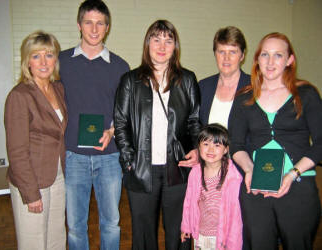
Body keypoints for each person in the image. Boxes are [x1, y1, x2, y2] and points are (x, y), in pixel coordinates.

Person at [228, 32, 322, 250]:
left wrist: (292, 174)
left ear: (289, 60)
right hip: (256, 189)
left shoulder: (306, 94)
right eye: (265, 55)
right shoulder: (244, 97)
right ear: (257, 59)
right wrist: (250, 170)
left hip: (298, 185)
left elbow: (320, 143)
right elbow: (237, 144)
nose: (270, 62)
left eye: (278, 55)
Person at [114, 19, 201, 250]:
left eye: (168, 41)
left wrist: (196, 149)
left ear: (175, 47)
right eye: (156, 39)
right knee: (143, 232)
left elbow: (194, 121)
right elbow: (120, 123)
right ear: (147, 43)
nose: (162, 46)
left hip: (178, 168)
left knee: (178, 230)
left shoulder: (187, 80)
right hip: (141, 168)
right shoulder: (130, 81)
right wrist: (128, 159)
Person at [58, 0, 129, 249]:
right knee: (76, 226)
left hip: (109, 156)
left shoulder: (120, 67)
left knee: (110, 223)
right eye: (89, 22)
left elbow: (124, 112)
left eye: (100, 23)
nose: (94, 28)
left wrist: (112, 130)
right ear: (79, 25)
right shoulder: (61, 62)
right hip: (73, 156)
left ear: (107, 27)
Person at [4, 31, 67, 250]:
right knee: (34, 243)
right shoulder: (20, 96)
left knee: (56, 239)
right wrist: (31, 194)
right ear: (27, 61)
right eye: (36, 56)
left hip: (58, 176)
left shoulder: (57, 88)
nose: (43, 62)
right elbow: (17, 151)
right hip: (31, 181)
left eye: (48, 55)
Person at [180, 124, 242, 250]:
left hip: (222, 237)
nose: (211, 150)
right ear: (199, 147)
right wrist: (186, 226)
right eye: (206, 144)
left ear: (226, 149)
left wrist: (233, 244)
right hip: (201, 234)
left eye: (217, 145)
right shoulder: (196, 172)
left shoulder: (233, 177)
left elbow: (236, 216)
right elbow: (189, 201)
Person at [199, 26, 250, 128]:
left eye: (232, 52)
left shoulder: (254, 87)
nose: (226, 58)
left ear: (242, 56)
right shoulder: (203, 87)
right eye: (221, 52)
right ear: (215, 54)